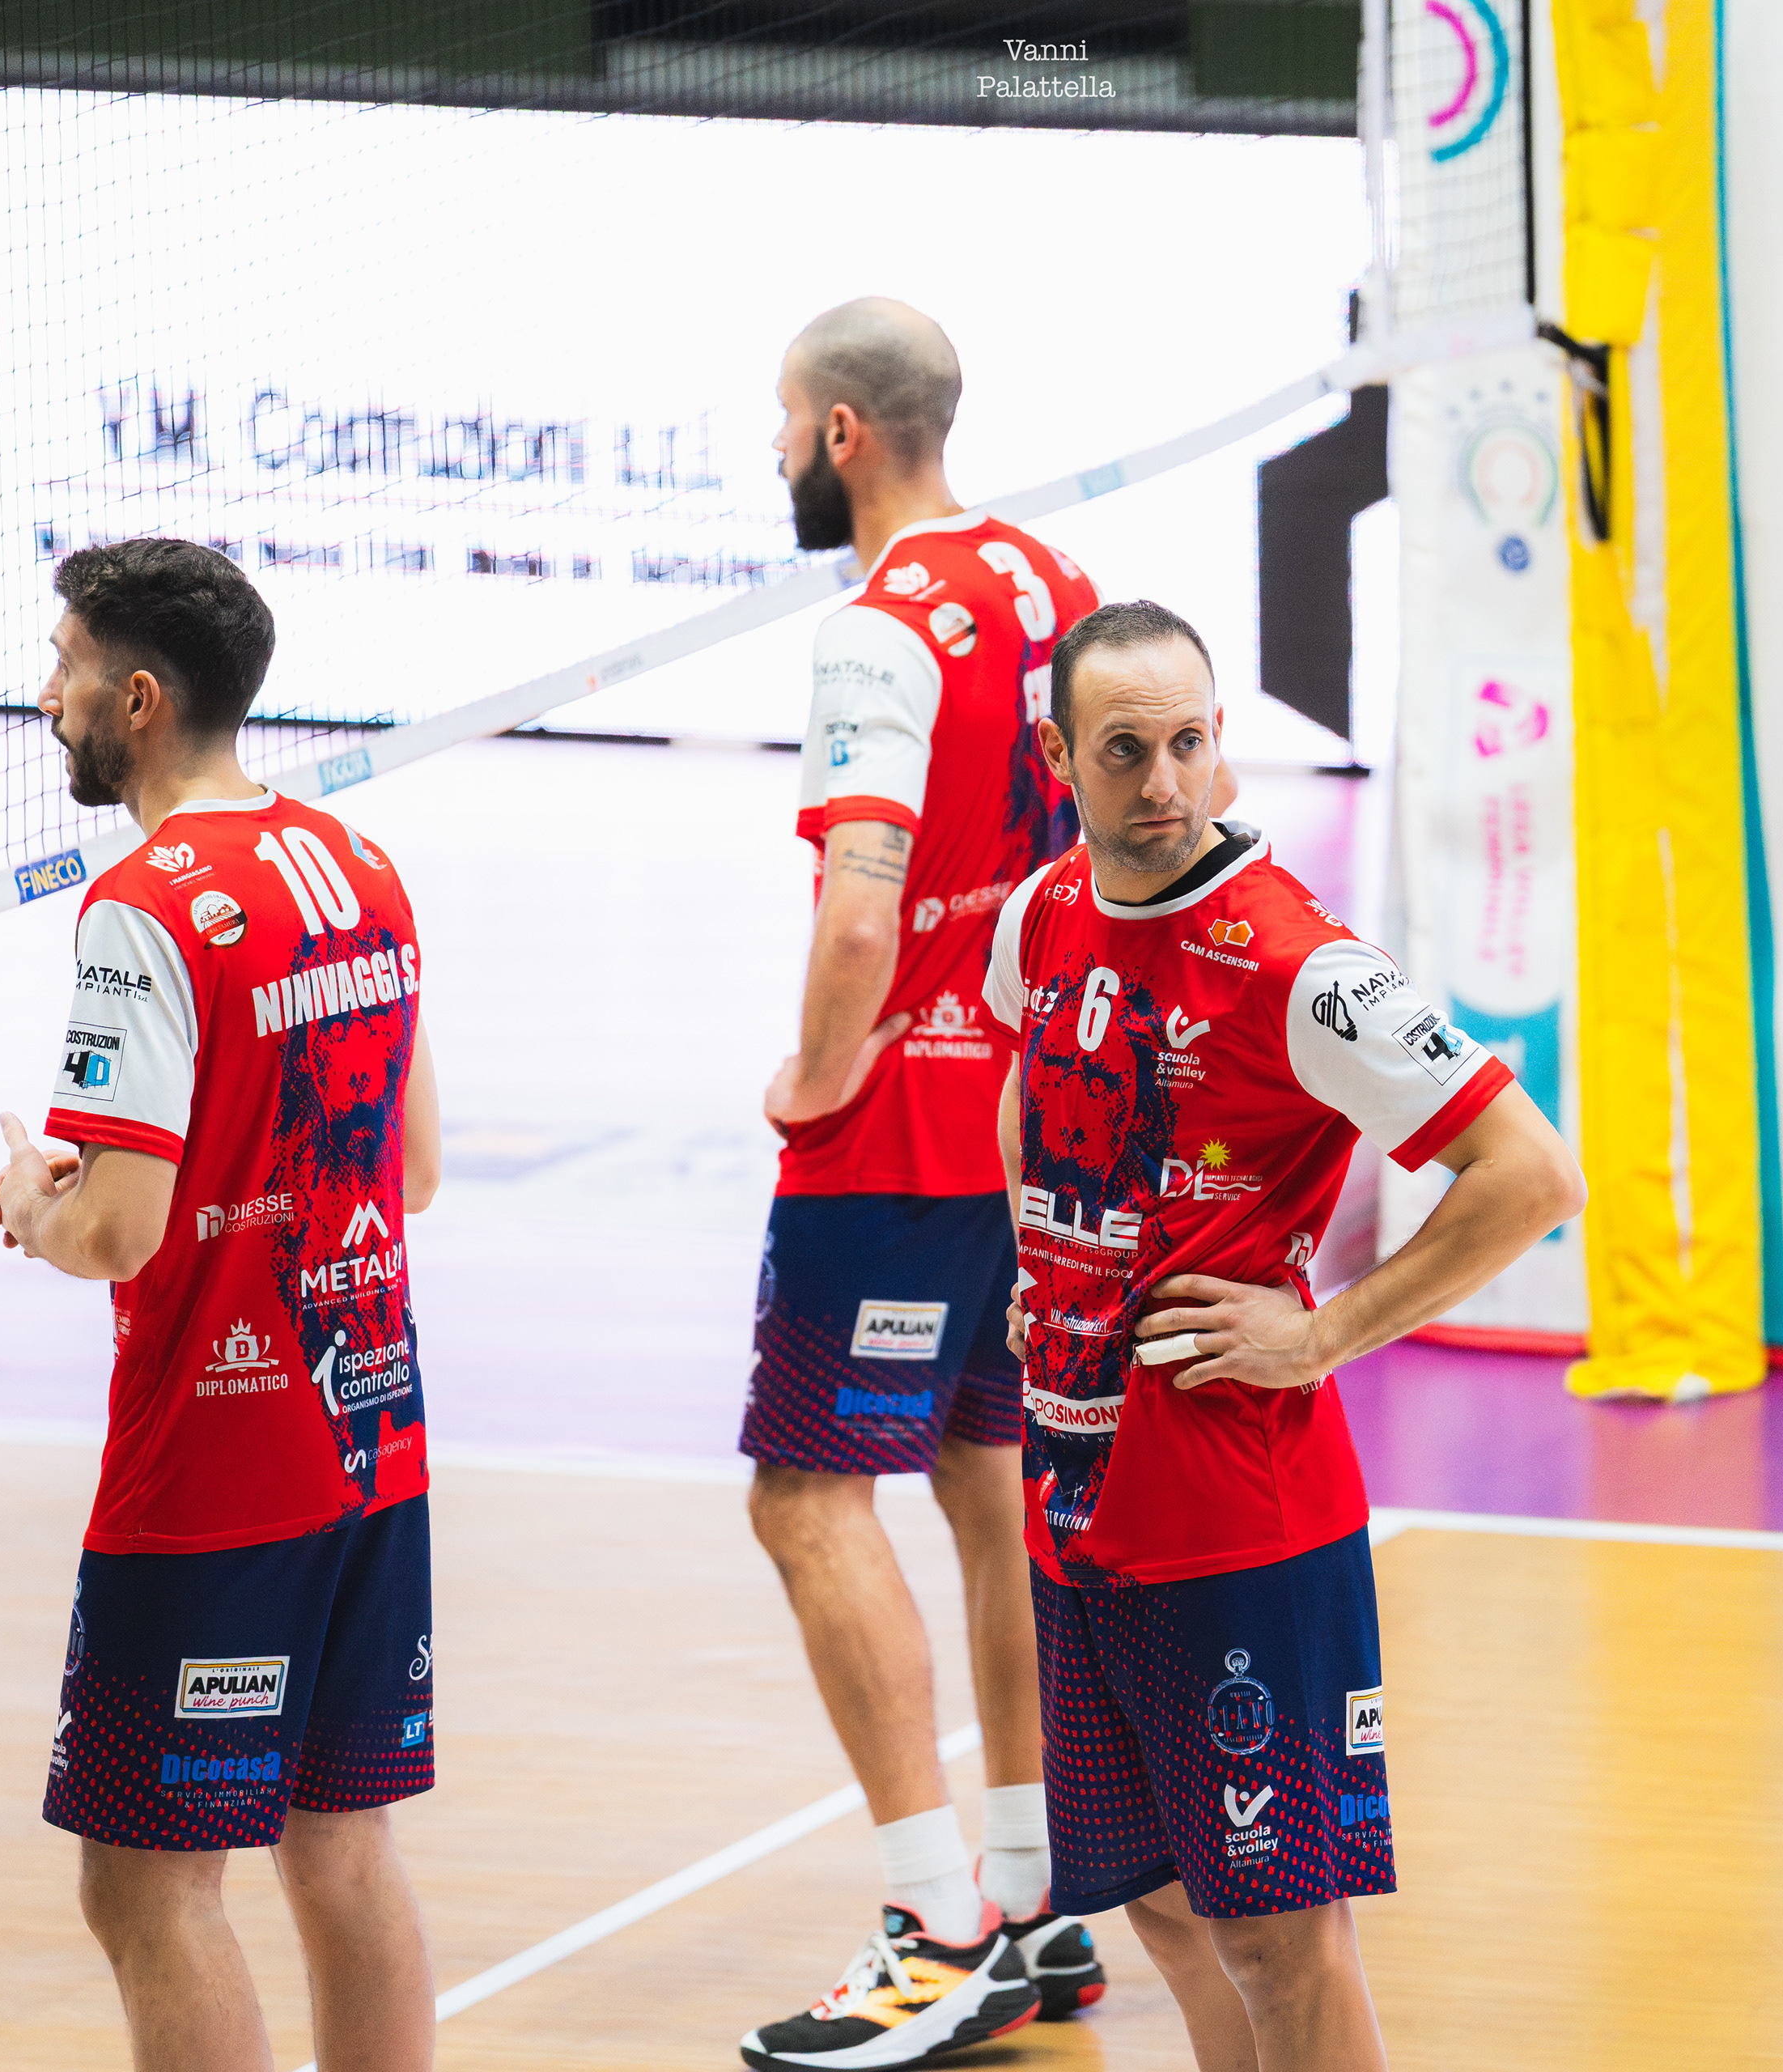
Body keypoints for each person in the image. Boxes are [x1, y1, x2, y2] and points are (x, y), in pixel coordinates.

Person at [979, 601, 1585, 2072]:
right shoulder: (1041, 912)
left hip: (1237, 1521)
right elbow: (1024, 1079)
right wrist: (1040, 1259)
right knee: (1168, 1913)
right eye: (1126, 751)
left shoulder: (1302, 966)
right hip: (1075, 1496)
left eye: (1190, 742)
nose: (1167, 781)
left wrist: (1323, 1339)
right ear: (1058, 755)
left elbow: (1531, 1175)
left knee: (1280, 1941)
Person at [0, 537, 444, 2072]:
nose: (45, 696)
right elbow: (410, 1169)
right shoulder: (360, 865)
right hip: (370, 1428)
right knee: (343, 1849)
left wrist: (35, 1204)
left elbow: (118, 1234)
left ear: (139, 698)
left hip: (215, 1462)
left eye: (64, 666)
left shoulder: (139, 907)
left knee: (146, 1886)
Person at [736, 298, 1108, 2072]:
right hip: (1034, 1119)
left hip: (899, 1139)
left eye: (784, 421)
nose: (777, 451)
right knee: (985, 1481)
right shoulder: (1053, 580)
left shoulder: (881, 628)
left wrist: (817, 1076)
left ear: (844, 434)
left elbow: (861, 906)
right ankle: (1034, 1897)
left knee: (808, 1504)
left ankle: (934, 1924)